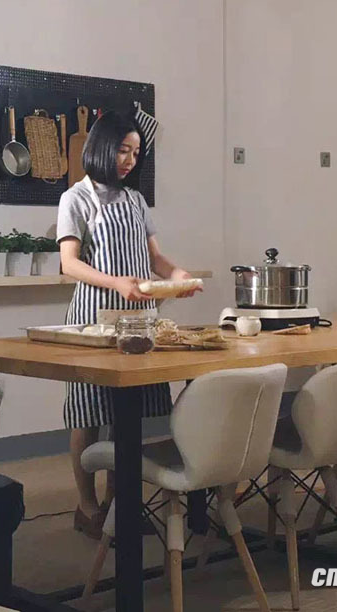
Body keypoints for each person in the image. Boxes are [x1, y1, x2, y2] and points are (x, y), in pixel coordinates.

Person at [56, 111, 201, 539]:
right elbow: (69, 264)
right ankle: (87, 506)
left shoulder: (136, 201)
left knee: (127, 415)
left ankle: (119, 506)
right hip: (93, 318)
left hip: (138, 319)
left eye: (136, 153)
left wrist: (177, 276)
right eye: (123, 150)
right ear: (102, 147)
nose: (129, 161)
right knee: (88, 412)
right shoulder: (75, 198)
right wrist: (116, 282)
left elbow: (156, 259)